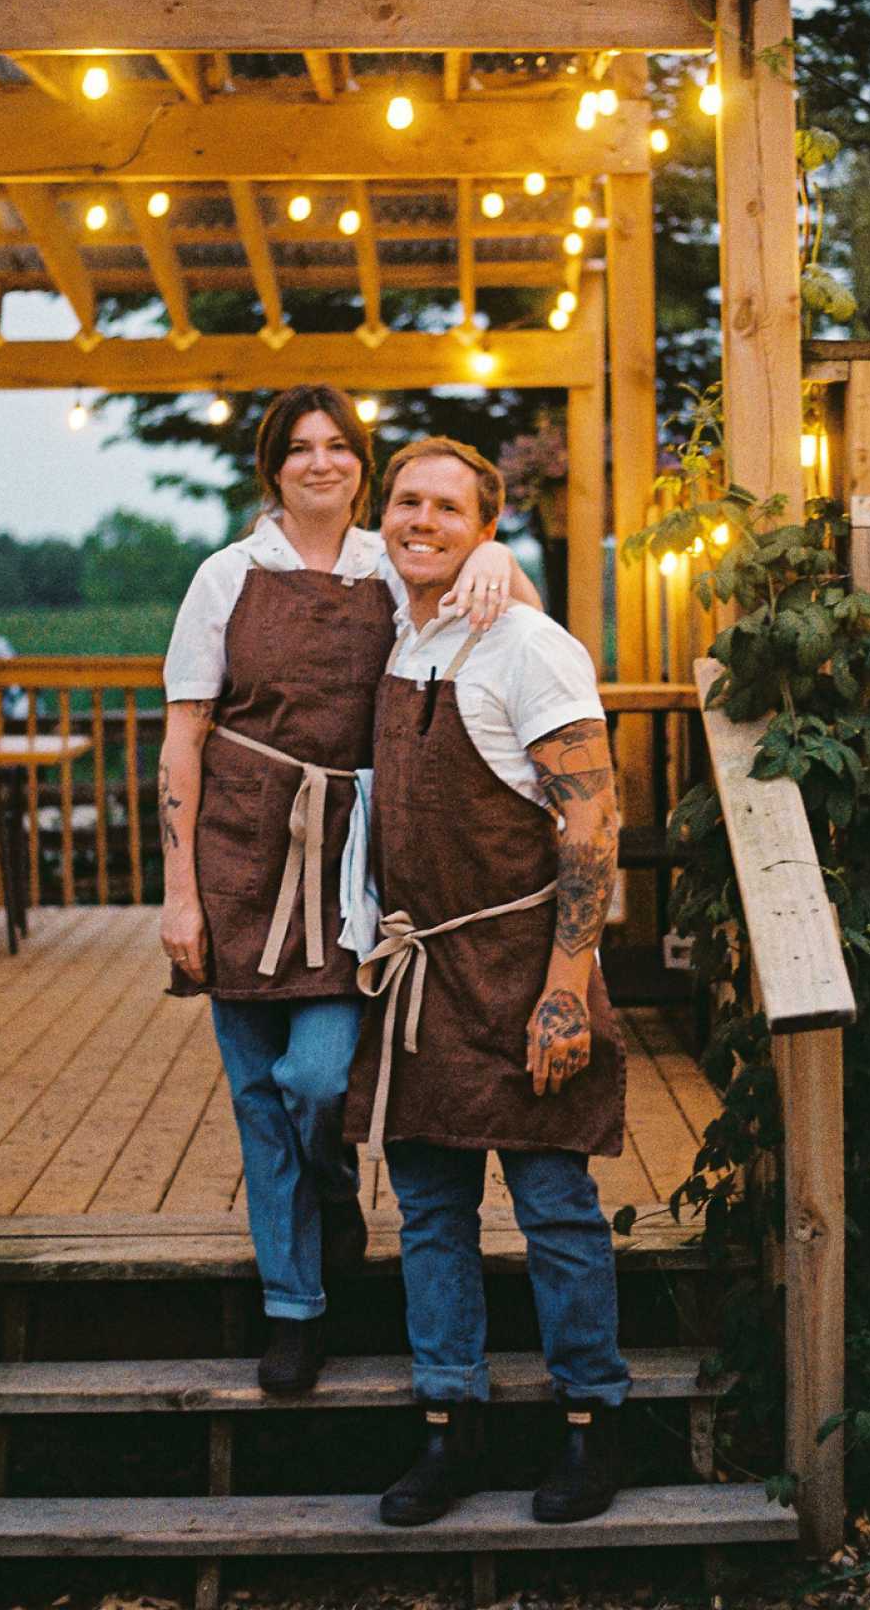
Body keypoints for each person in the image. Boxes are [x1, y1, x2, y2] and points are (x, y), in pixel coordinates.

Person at [159, 388, 537, 1399]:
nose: (319, 463)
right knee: (254, 1096)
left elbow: (508, 622)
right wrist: (180, 894)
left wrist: (501, 558)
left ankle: (329, 1192)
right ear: (269, 465)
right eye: (298, 448)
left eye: (337, 447)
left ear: (360, 465)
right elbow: (183, 740)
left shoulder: (396, 563)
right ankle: (294, 1309)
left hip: (354, 867)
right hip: (238, 854)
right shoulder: (224, 579)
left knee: (316, 1080)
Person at [344, 436, 628, 1527]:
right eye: (404, 503)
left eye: (448, 510)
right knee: (429, 1213)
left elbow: (591, 822)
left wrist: (565, 986)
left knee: (553, 1207)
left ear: (483, 526)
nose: (420, 521)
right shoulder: (399, 625)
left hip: (521, 968)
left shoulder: (529, 648)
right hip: (424, 974)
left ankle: (590, 1427)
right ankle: (447, 1428)